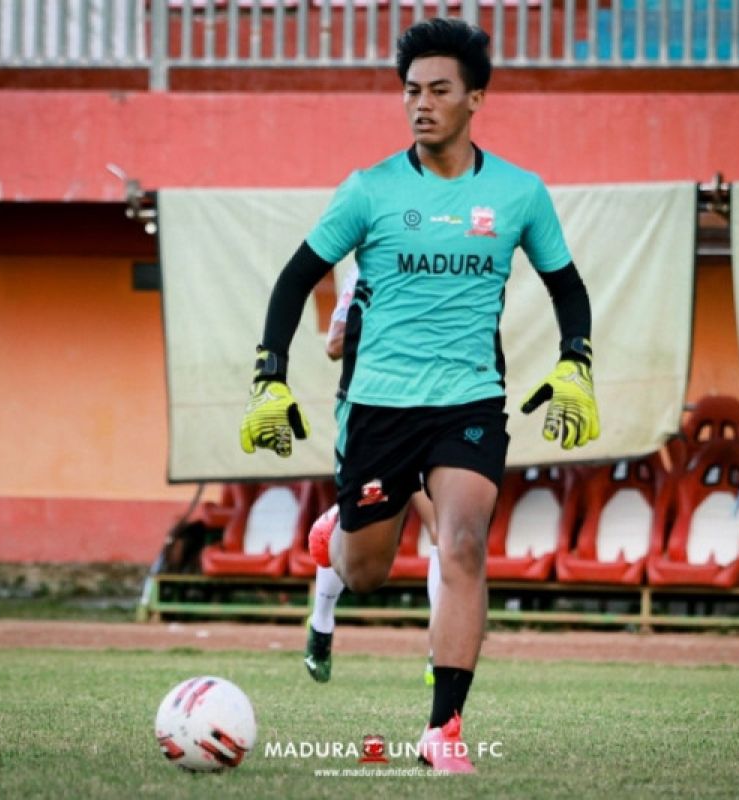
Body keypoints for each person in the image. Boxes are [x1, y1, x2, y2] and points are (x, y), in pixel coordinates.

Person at [238, 17, 600, 774]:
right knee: (367, 570)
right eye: (411, 91)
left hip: (469, 402)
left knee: (463, 540)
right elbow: (295, 278)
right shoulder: (369, 190)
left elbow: (566, 285)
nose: (421, 104)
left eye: (439, 90)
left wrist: (577, 362)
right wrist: (269, 373)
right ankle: (331, 540)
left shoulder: (518, 194)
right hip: (377, 407)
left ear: (476, 98)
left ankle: (443, 730)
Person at [305, 266, 442, 688]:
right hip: (376, 420)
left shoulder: (448, 272)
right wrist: (392, 333)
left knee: (448, 532)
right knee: (361, 565)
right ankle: (321, 622)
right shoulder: (367, 273)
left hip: (433, 413)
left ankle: (441, 653)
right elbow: (333, 345)